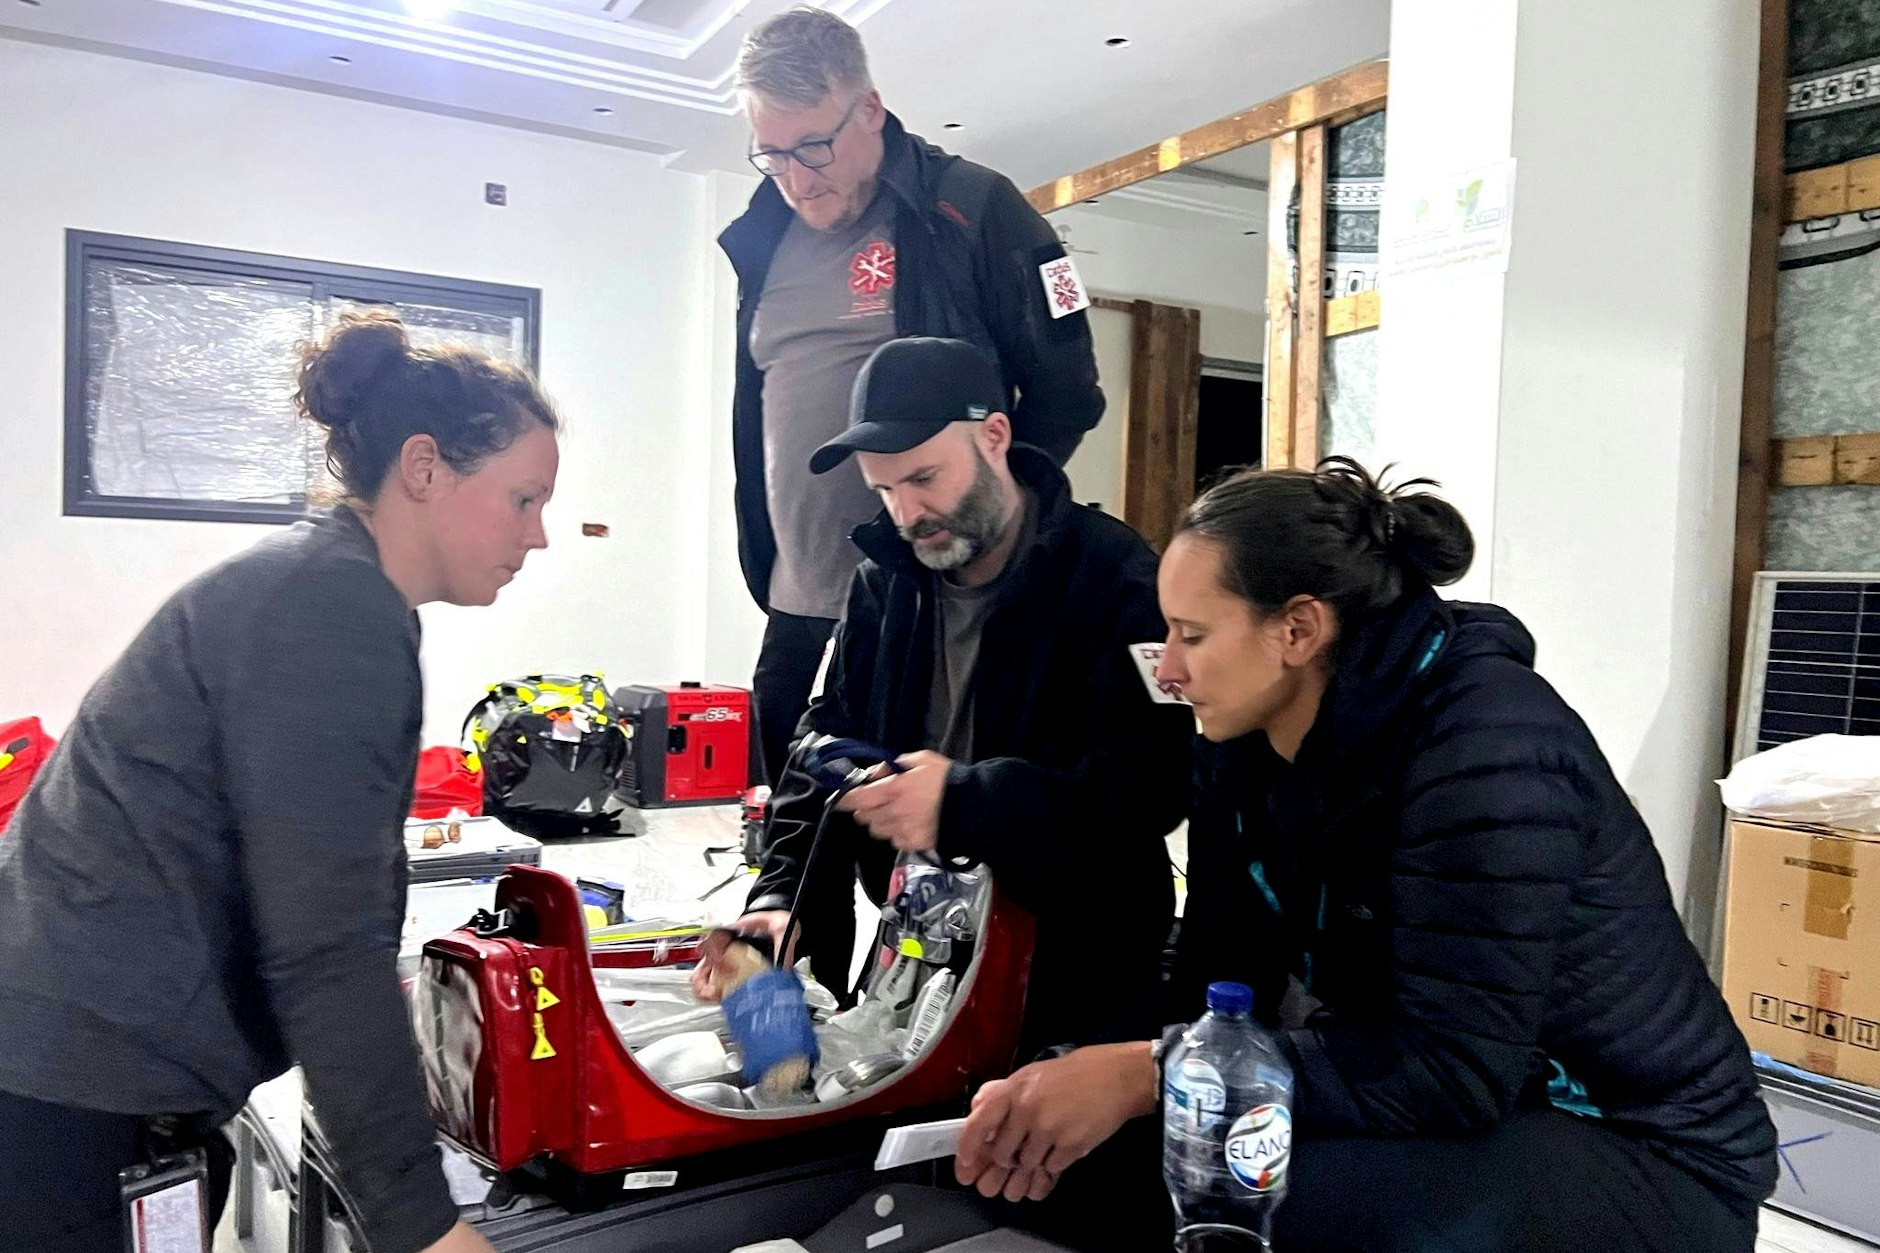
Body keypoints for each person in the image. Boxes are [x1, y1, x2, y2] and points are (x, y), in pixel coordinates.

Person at [953, 460, 1779, 1252]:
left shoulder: (1488, 747)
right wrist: (1077, 1072)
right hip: (1458, 1099)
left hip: (1633, 1140)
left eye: (1191, 635)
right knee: (1091, 1163)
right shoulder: (1242, 734)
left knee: (1268, 1199)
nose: (1166, 669)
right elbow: (1214, 974)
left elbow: (1455, 1067)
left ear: (1298, 627)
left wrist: (1149, 1074)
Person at [0, 311, 561, 1253]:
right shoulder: (329, 609)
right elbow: (323, 945)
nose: (540, 535)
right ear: (425, 469)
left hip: (83, 1064)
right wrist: (421, 1222)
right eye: (523, 499)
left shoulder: (322, 583)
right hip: (72, 1091)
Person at [695, 335, 1187, 1059]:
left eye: (925, 477)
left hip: (1081, 976)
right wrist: (781, 898)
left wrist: (964, 802)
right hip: (920, 953)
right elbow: (823, 748)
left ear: (994, 435)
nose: (908, 512)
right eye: (885, 489)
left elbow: (1153, 784)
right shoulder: (884, 581)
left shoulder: (1116, 578)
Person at [719, 4, 1105, 785]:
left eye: (814, 146)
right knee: (795, 851)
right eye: (773, 154)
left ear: (870, 109)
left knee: (935, 855)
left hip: (937, 600)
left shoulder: (974, 210)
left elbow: (1070, 392)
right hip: (798, 599)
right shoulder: (761, 240)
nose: (796, 177)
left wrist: (986, 531)